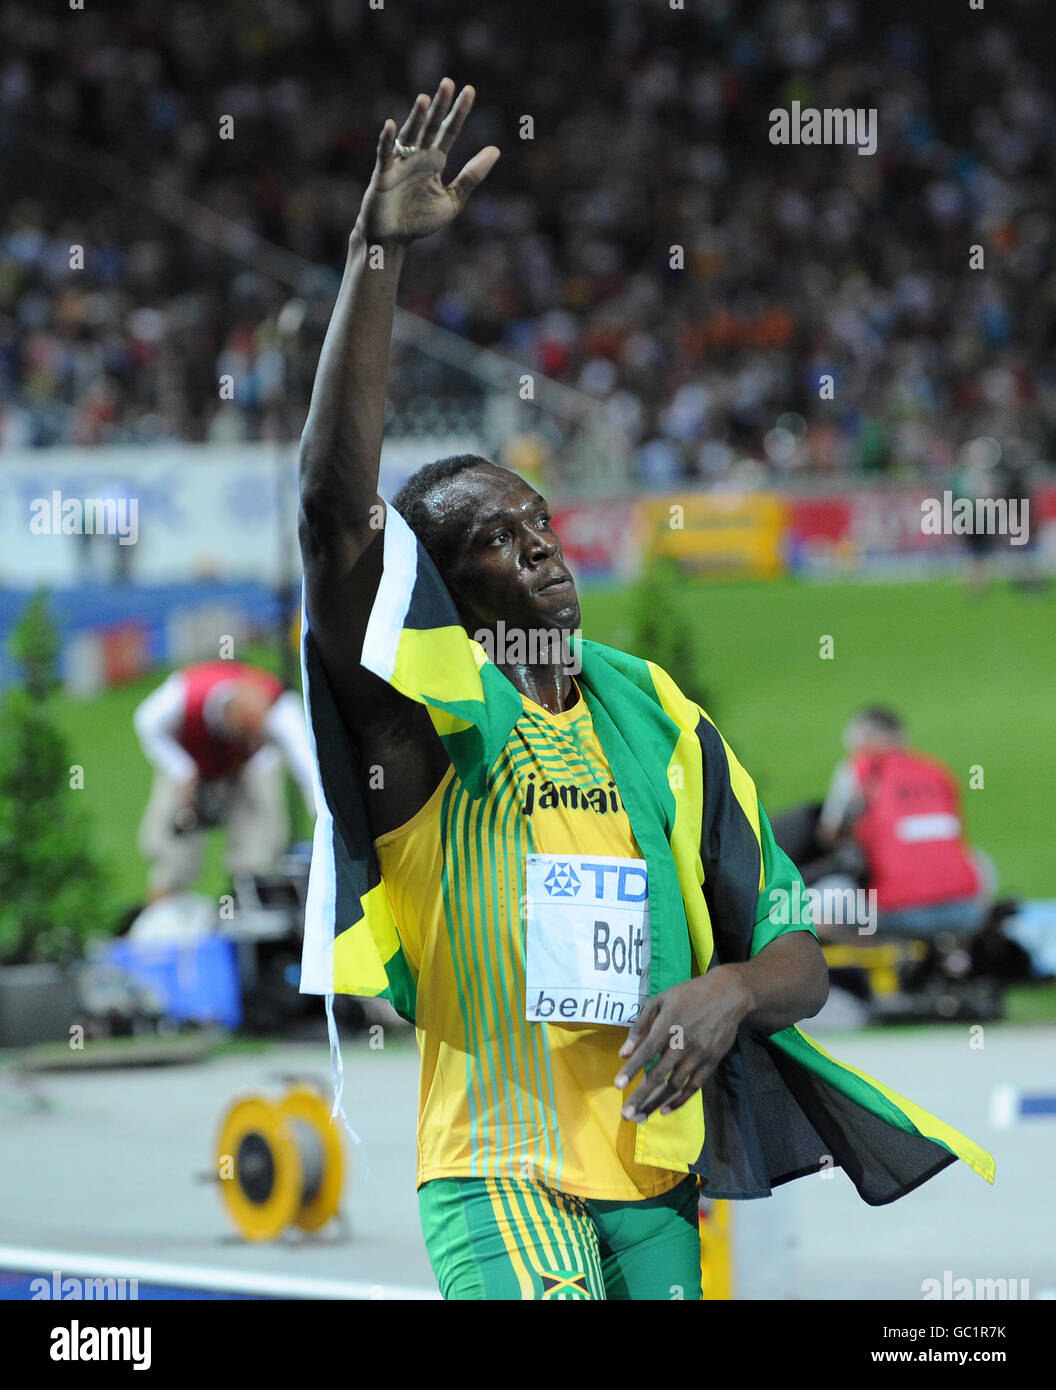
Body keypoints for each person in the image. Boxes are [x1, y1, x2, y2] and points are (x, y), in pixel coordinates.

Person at [296, 80, 993, 1301]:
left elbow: (797, 955)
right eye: (500, 547)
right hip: (501, 1173)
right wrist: (376, 256)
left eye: (542, 523)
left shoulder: (657, 714)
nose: (544, 551)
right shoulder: (427, 720)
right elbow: (329, 510)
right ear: (447, 601)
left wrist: (729, 990)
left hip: (659, 1176)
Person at [134, 660, 316, 901]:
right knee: (173, 847)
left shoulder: (281, 711)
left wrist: (323, 817)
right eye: (245, 736)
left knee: (258, 832)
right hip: (188, 758)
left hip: (249, 770)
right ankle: (162, 905)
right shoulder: (182, 695)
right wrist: (183, 769)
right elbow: (145, 721)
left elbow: (307, 767)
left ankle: (248, 896)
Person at [817, 708, 990, 937]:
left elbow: (830, 835)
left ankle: (862, 962)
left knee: (822, 898)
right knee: (979, 860)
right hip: (966, 912)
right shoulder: (937, 772)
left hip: (897, 913)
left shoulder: (859, 771)